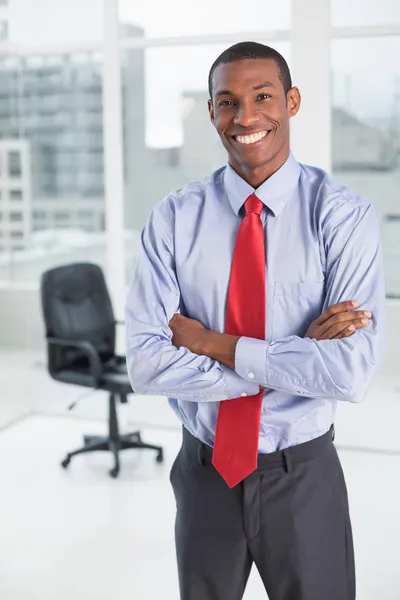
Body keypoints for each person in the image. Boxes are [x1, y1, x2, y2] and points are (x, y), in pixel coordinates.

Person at [125, 42, 385, 600]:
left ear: (291, 101)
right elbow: (146, 364)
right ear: (214, 112)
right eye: (226, 102)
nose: (245, 117)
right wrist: (292, 358)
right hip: (205, 472)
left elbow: (350, 373)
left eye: (262, 96)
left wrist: (212, 342)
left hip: (304, 478)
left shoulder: (342, 216)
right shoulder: (173, 219)